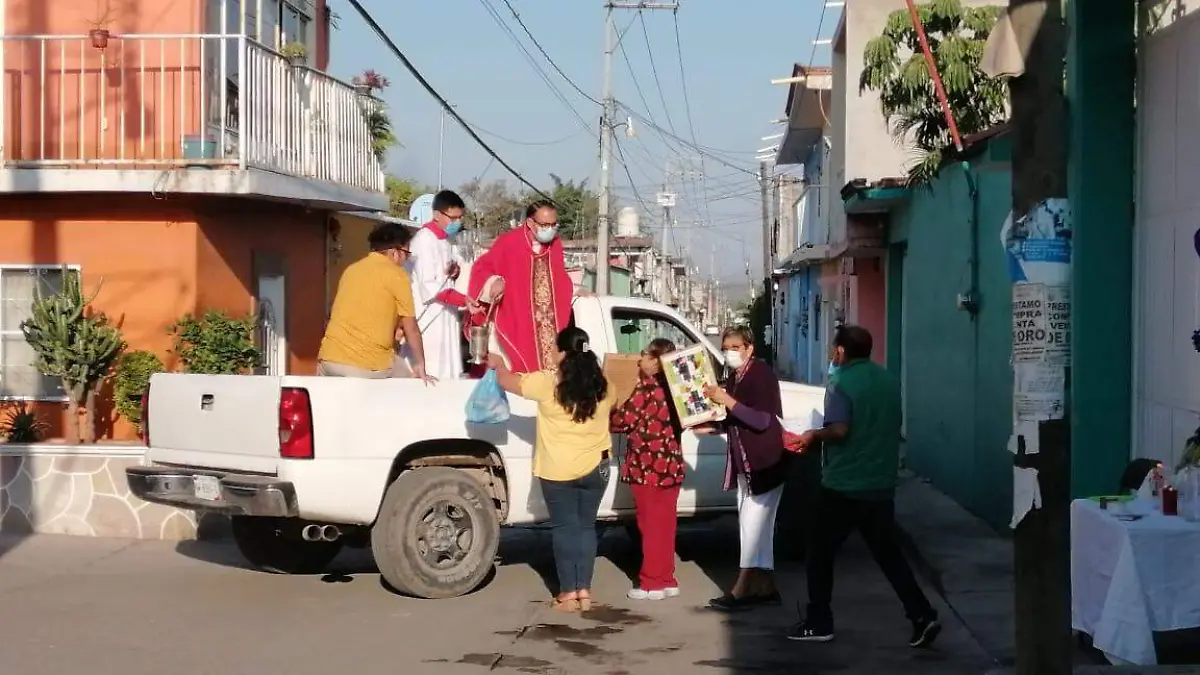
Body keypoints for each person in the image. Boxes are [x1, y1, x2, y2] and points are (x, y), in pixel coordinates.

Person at [788, 325, 940, 648]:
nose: (832, 353)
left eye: (834, 348)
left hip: (843, 485)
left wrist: (814, 436)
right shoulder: (887, 380)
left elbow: (840, 430)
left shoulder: (840, 382)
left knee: (818, 553)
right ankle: (922, 614)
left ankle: (819, 621)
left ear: (841, 351)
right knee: (888, 555)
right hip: (881, 483)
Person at [491, 326, 617, 612]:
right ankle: (584, 590)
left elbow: (507, 381)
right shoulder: (604, 385)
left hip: (558, 470)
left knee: (563, 529)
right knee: (586, 527)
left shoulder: (548, 383)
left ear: (562, 353)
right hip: (597, 467)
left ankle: (567, 593)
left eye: (553, 348)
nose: (549, 352)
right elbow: (615, 403)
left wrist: (499, 364)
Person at [701, 325, 788, 612]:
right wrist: (715, 424)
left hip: (764, 463)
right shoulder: (738, 376)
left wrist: (726, 400)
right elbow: (738, 416)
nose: (729, 352)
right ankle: (766, 588)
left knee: (751, 527)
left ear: (749, 348)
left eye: (735, 347)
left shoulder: (760, 375)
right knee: (757, 529)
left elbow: (762, 420)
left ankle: (741, 589)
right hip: (747, 463)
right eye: (726, 347)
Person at [467, 200, 586, 374]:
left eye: (554, 224)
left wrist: (575, 290)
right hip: (517, 318)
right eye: (545, 225)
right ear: (530, 223)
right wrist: (494, 281)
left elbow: (558, 278)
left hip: (547, 323)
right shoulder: (509, 242)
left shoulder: (555, 244)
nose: (550, 229)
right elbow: (482, 268)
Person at [609, 338, 685, 601]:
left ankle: (651, 582)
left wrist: (611, 405)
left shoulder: (646, 390)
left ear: (655, 361)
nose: (639, 359)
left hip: (647, 466)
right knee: (666, 524)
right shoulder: (677, 390)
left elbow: (621, 422)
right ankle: (667, 578)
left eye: (644, 355)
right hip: (671, 465)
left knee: (650, 525)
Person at [318, 223, 434, 382]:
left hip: (328, 360)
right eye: (407, 254)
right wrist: (421, 364)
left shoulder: (351, 270)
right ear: (396, 252)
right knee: (410, 385)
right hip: (366, 364)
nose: (406, 260)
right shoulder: (397, 275)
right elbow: (411, 327)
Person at [399, 190, 481, 380]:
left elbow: (447, 272)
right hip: (429, 314)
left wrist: (455, 271)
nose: (457, 223)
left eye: (460, 218)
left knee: (448, 367)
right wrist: (462, 299)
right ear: (437, 215)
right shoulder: (424, 240)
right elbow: (429, 284)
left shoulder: (446, 240)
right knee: (430, 366)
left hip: (446, 313)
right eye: (453, 218)